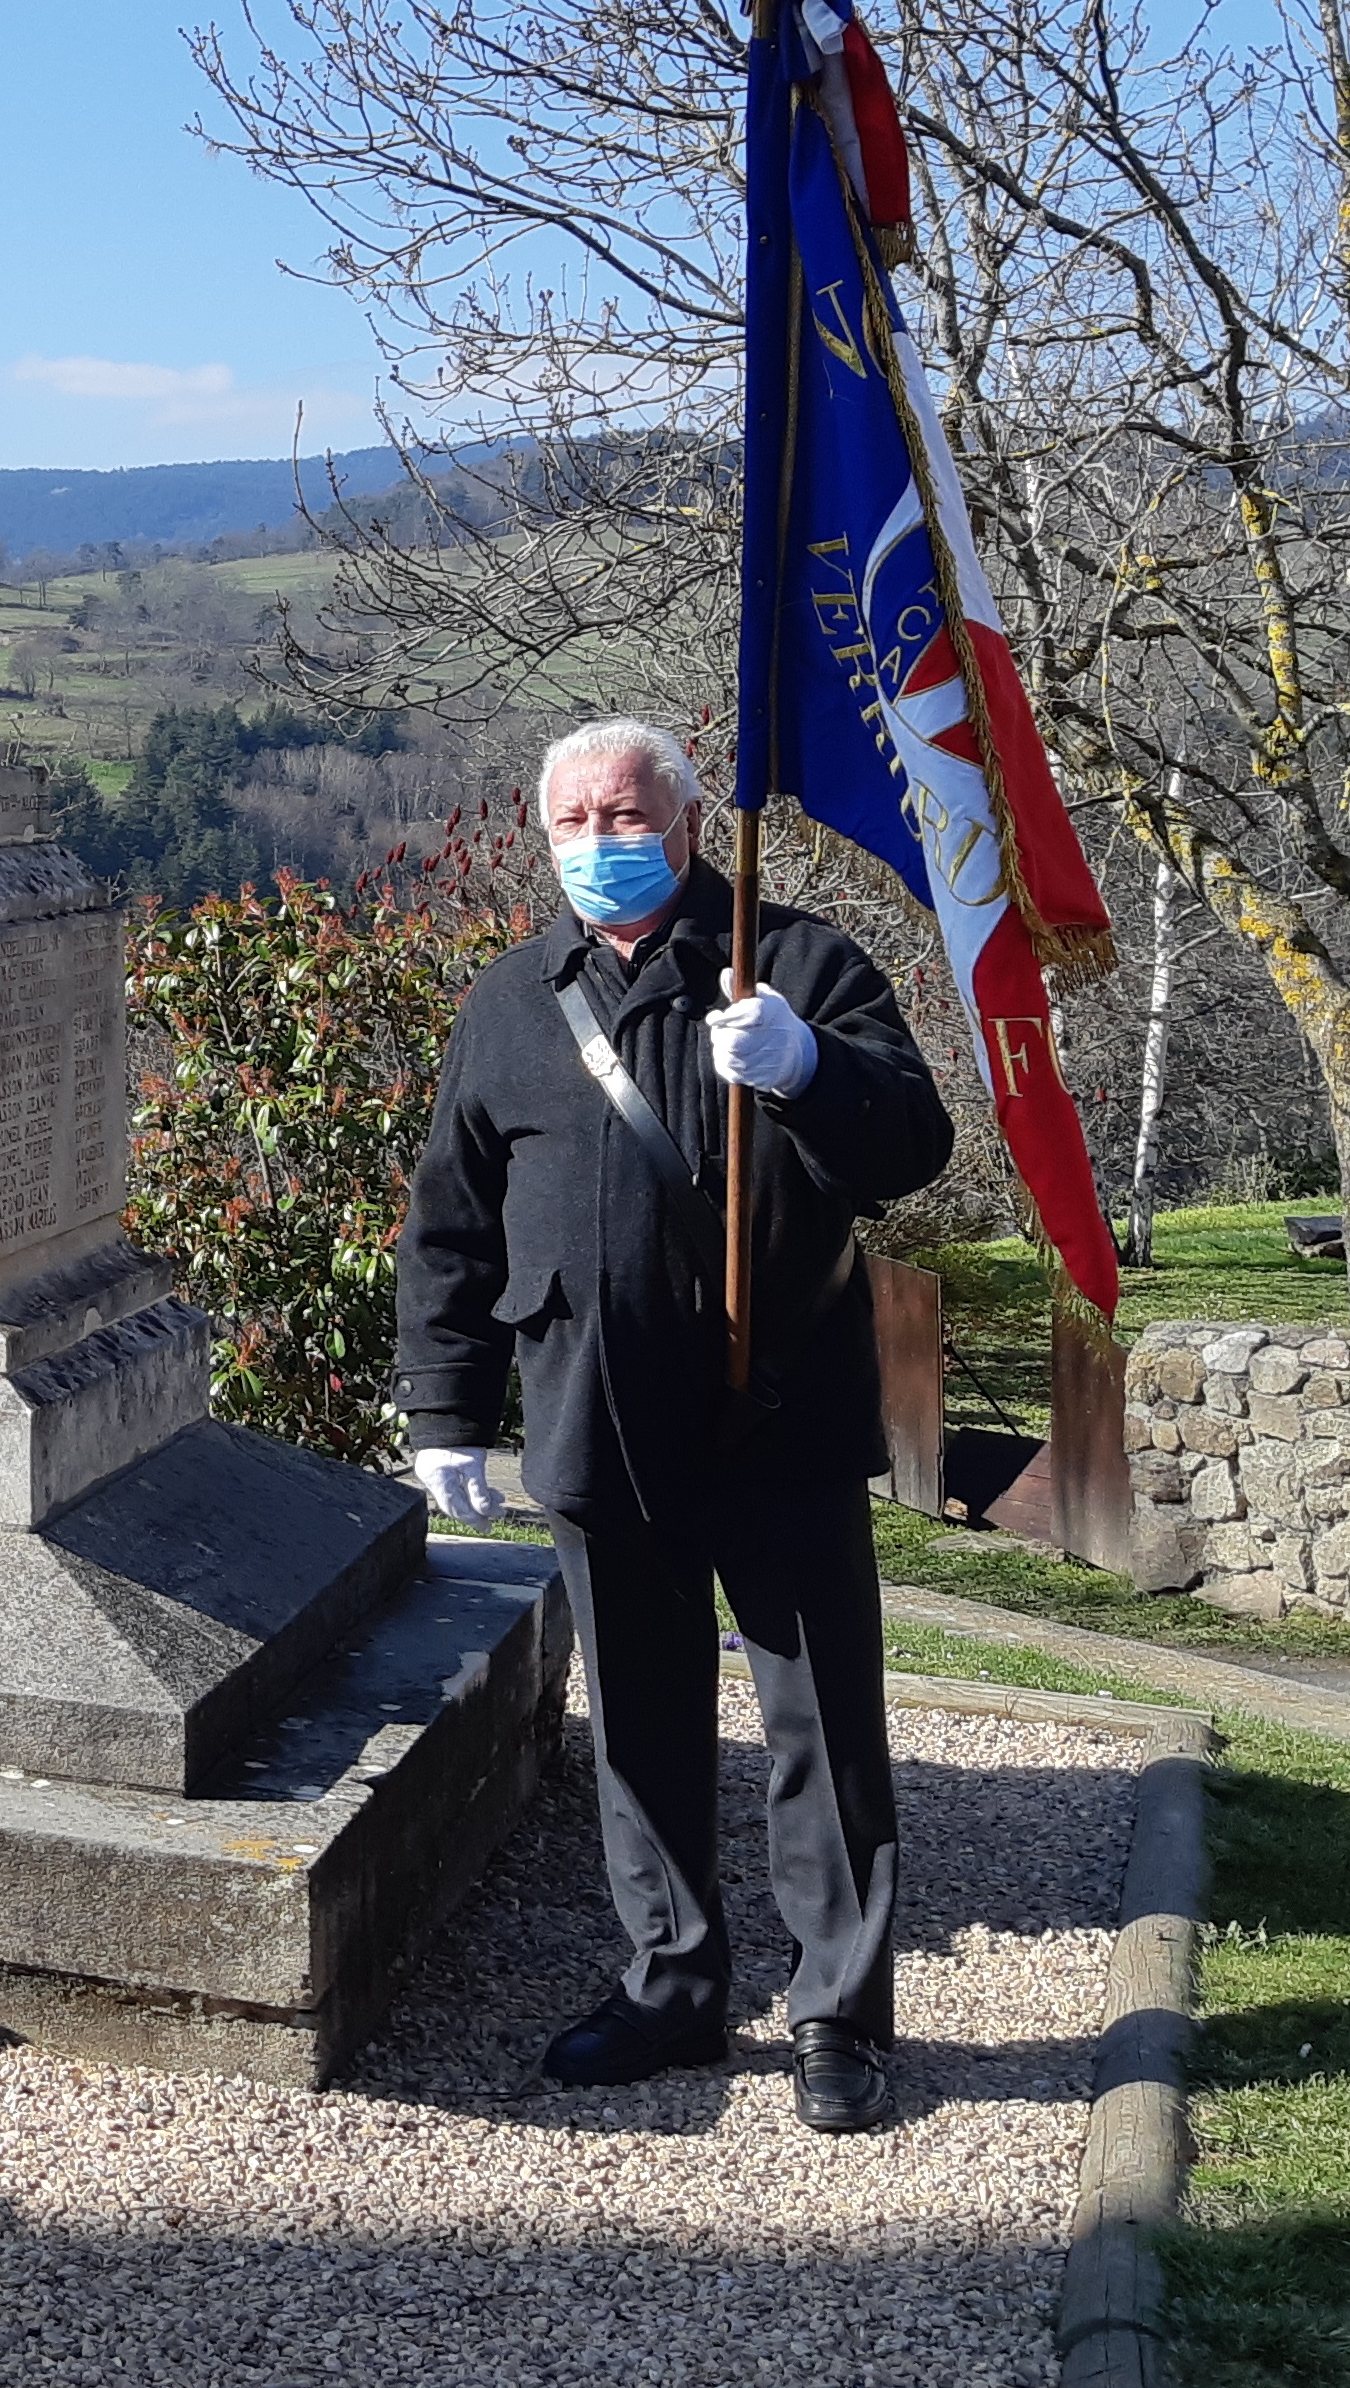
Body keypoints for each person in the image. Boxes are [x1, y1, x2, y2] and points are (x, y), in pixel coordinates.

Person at [394, 717, 956, 2133]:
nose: (599, 842)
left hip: (781, 1425)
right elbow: (450, 1229)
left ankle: (839, 2012)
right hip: (594, 1424)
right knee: (639, 1727)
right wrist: (444, 1408)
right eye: (572, 822)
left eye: (623, 815)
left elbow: (914, 1148)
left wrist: (813, 1070)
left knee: (821, 1729)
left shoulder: (804, 963)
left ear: (692, 823)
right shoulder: (514, 1002)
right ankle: (670, 1989)